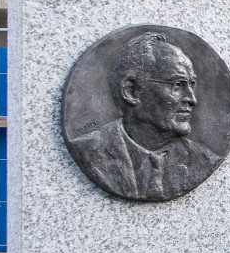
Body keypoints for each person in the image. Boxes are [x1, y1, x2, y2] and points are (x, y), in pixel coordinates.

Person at [68, 31, 221, 201]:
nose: (192, 99)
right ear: (131, 91)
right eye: (177, 85)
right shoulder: (90, 152)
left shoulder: (203, 160)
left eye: (191, 84)